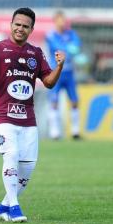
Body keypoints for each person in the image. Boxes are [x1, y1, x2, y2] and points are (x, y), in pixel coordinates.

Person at [0, 7, 65, 222]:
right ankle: (15, 208)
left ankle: (3, 206)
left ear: (31, 29)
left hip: (28, 118)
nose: (20, 29)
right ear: (11, 25)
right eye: (17, 24)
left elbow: (49, 83)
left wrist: (60, 66)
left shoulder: (35, 53)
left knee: (28, 169)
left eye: (25, 26)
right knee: (11, 154)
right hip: (2, 115)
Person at [45, 11, 82, 140]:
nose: (63, 22)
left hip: (69, 73)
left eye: (64, 19)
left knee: (75, 101)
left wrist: (71, 49)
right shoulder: (50, 35)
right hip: (55, 73)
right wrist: (70, 48)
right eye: (60, 19)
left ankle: (75, 131)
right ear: (55, 20)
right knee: (54, 102)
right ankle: (55, 132)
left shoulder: (71, 33)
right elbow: (58, 48)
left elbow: (77, 46)